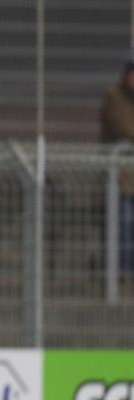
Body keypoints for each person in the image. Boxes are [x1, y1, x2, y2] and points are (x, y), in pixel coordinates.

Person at [100, 60, 134, 272]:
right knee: (124, 224)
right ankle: (124, 272)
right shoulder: (114, 97)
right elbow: (121, 127)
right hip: (120, 178)